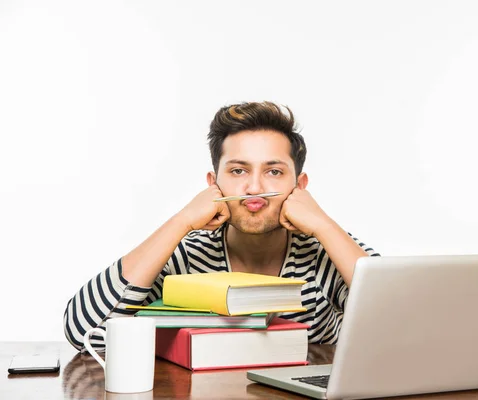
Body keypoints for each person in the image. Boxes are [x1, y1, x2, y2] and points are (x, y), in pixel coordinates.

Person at [63, 101, 379, 351]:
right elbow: (84, 333)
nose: (255, 188)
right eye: (239, 171)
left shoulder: (327, 249)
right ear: (214, 184)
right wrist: (181, 221)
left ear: (299, 186)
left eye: (274, 172)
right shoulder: (186, 255)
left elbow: (406, 323)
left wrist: (324, 225)